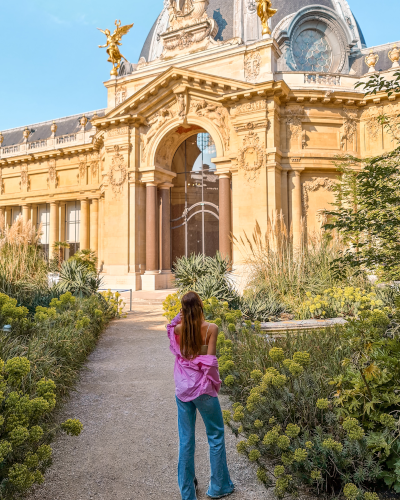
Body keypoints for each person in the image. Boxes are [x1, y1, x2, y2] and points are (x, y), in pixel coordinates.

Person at [167, 291, 235, 500]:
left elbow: (170, 325)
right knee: (215, 435)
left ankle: (188, 494)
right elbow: (210, 362)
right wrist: (215, 383)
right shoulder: (210, 329)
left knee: (186, 440)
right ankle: (218, 487)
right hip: (203, 389)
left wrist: (181, 315)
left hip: (183, 389)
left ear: (183, 310)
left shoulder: (178, 329)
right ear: (201, 307)